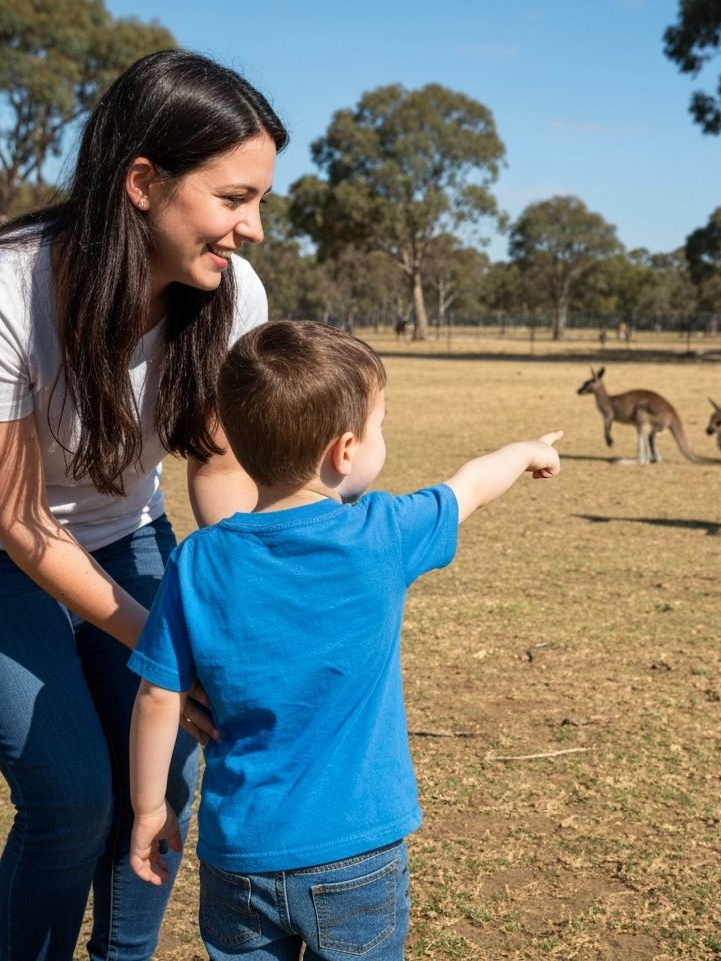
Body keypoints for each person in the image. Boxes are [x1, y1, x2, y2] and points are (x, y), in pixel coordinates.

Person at [0, 49, 288, 960]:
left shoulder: (231, 294)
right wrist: (165, 647)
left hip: (128, 532)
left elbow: (218, 470)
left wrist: (237, 603)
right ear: (143, 183)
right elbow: (24, 527)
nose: (253, 229)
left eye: (260, 200)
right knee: (71, 797)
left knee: (165, 776)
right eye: (233, 198)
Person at [127, 320, 562, 961]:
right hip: (357, 852)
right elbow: (469, 486)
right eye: (381, 427)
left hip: (236, 855)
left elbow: (158, 700)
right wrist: (526, 452)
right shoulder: (382, 533)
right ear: (345, 450)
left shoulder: (197, 561)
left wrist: (147, 810)